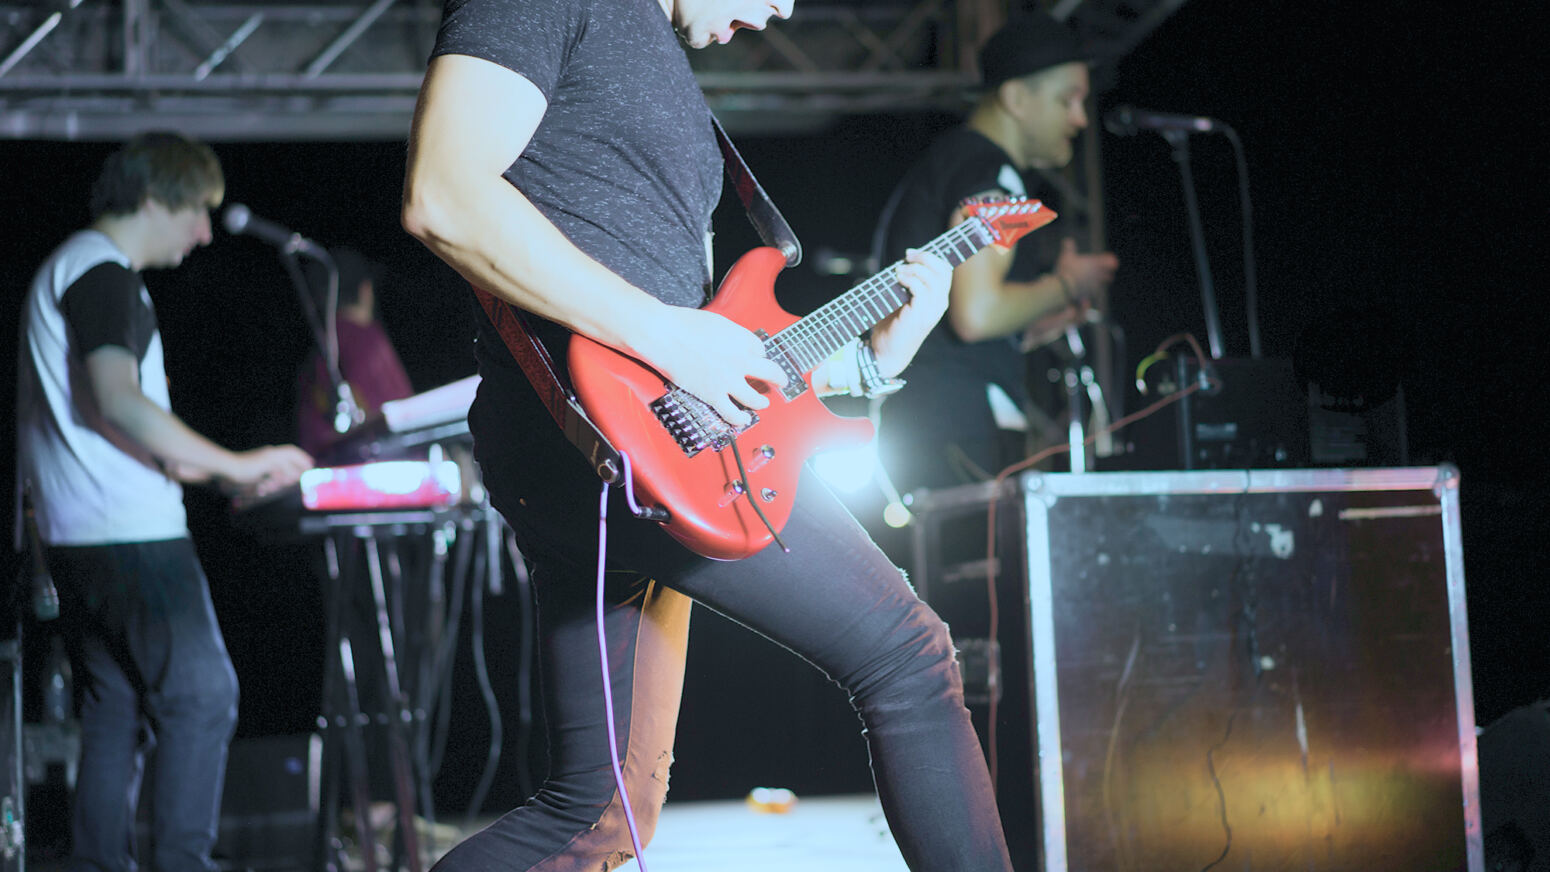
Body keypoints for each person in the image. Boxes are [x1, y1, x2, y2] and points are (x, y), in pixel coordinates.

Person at [400, 0, 1013, 869]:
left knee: (599, 814)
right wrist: (667, 335)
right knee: (907, 656)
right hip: (604, 441)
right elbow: (444, 195)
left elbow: (707, 356)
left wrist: (868, 367)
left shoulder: (648, 48)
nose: (784, 8)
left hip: (647, 442)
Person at [14, 131, 313, 872]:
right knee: (202, 697)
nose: (205, 233)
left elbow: (111, 426)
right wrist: (236, 464)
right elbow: (118, 402)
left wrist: (221, 475)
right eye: (197, 212)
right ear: (154, 199)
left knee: (114, 712)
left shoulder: (72, 268)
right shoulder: (101, 272)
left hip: (77, 537)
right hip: (129, 537)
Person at [872, 9, 1120, 495]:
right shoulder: (991, 177)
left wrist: (1031, 327)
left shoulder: (955, 161)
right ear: (1016, 98)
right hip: (960, 424)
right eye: (1067, 100)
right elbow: (977, 314)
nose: (1079, 119)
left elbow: (962, 327)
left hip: (929, 423)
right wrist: (1066, 284)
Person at [295, 247, 414, 459]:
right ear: (366, 290)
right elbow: (400, 417)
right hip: (380, 465)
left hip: (324, 466)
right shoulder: (366, 339)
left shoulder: (321, 349)